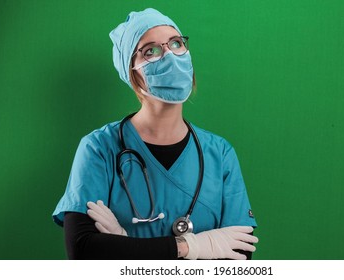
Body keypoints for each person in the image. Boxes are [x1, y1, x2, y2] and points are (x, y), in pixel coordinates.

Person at [52, 8, 258, 260]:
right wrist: (189, 247)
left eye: (176, 43)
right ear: (132, 72)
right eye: (151, 50)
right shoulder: (99, 148)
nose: (170, 56)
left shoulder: (220, 153)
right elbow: (82, 251)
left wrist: (127, 250)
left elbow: (239, 257)